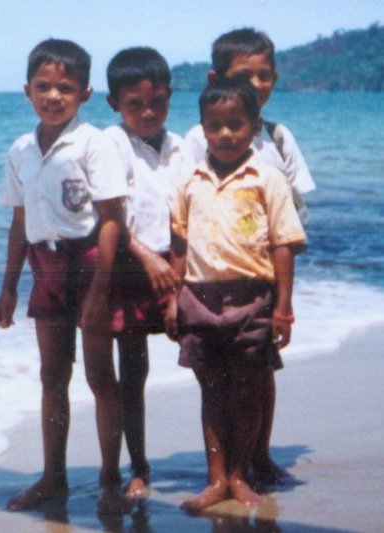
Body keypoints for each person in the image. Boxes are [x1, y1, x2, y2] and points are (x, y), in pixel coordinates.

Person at [0, 38, 127, 512]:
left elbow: (112, 218)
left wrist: (100, 289)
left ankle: (111, 479)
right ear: (27, 90)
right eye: (44, 86)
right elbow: (18, 221)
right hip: (44, 269)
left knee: (99, 376)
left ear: (85, 93)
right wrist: (9, 286)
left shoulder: (94, 143)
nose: (54, 96)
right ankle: (54, 478)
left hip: (90, 265)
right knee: (53, 376)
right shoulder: (20, 150)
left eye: (65, 88)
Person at [165, 77, 306, 513]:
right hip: (199, 299)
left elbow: (284, 244)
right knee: (211, 392)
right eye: (215, 125)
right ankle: (216, 480)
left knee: (246, 391)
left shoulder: (268, 180)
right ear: (202, 129)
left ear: (254, 125)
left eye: (236, 124)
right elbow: (179, 245)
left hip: (253, 300)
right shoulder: (190, 181)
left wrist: (282, 308)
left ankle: (241, 475)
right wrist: (173, 300)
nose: (226, 134)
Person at [184, 27, 315, 484]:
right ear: (215, 77)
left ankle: (257, 457)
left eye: (265, 76)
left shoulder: (278, 139)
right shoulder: (197, 141)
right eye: (245, 75)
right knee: (216, 379)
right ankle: (228, 467)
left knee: (260, 374)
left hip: (262, 280)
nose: (257, 85)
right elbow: (184, 210)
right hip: (208, 282)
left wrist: (284, 299)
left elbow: (293, 220)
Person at [102, 47, 185, 498]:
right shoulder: (109, 143)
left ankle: (230, 464)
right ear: (115, 104)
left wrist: (175, 278)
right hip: (130, 269)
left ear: (170, 96)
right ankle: (138, 467)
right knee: (132, 375)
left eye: (158, 102)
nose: (148, 112)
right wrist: (147, 258)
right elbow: (109, 213)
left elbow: (188, 217)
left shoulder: (183, 146)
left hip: (182, 268)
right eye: (135, 104)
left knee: (212, 364)